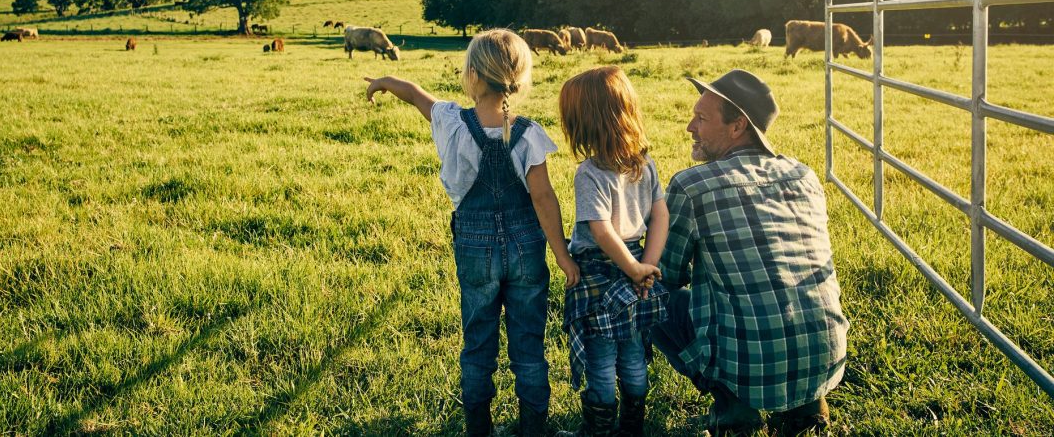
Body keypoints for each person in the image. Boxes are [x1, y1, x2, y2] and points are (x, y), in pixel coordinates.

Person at [363, 28, 580, 437]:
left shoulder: (451, 122)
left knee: (478, 343)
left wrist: (386, 82)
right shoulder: (528, 133)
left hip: (474, 246)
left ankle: (479, 429)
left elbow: (415, 95)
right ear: (519, 77)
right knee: (529, 344)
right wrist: (563, 254)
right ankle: (535, 429)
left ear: (473, 76)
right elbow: (543, 199)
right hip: (526, 248)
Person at [651, 69, 848, 436]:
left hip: (751, 367)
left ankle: (734, 405)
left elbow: (666, 274)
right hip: (827, 358)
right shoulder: (803, 175)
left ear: (738, 125)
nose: (690, 127)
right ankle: (807, 406)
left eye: (702, 118)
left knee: (648, 295)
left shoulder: (692, 185)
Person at [555, 66, 669, 437]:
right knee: (634, 351)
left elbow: (600, 231)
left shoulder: (590, 172)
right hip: (636, 267)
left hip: (601, 275)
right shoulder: (645, 163)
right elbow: (660, 215)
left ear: (584, 123)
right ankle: (632, 427)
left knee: (601, 357)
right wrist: (646, 265)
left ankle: (599, 431)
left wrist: (635, 268)